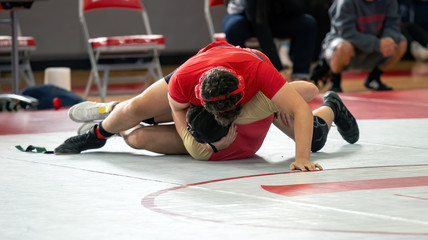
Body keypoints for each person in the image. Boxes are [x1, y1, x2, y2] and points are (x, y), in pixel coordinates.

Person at [55, 41, 358, 171]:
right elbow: (176, 110)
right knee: (138, 109)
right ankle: (97, 131)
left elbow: (305, 98)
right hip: (197, 82)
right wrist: (190, 138)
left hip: (245, 83)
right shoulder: (184, 82)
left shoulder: (259, 75)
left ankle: (333, 107)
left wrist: (301, 157)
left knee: (314, 139)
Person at [310, 0, 408, 92]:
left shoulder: (390, 1)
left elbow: (393, 24)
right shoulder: (346, 2)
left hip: (372, 47)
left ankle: (374, 78)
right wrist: (377, 44)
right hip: (346, 47)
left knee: (400, 43)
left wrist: (388, 38)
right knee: (344, 47)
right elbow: (347, 33)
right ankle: (335, 83)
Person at [222, 0, 317, 80]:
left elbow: (300, 7)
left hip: (275, 14)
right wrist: (278, 71)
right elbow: (259, 25)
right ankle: (244, 79)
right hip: (244, 16)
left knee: (307, 23)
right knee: (233, 28)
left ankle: (300, 75)